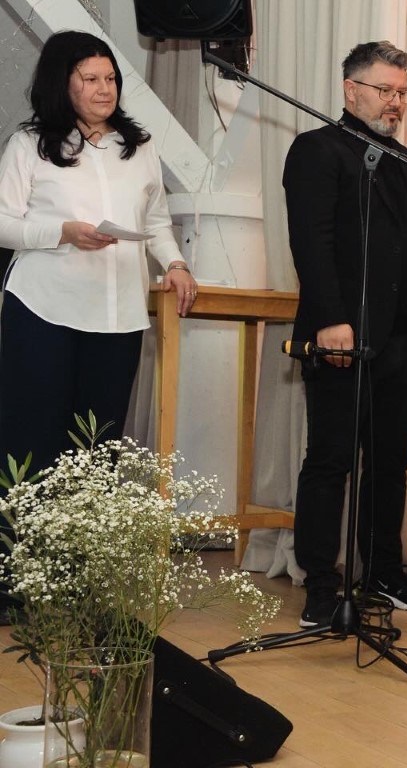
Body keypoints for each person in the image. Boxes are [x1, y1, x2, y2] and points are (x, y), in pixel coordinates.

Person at [0, 31, 195, 618]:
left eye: (110, 78)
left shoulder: (138, 147)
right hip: (43, 308)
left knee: (97, 450)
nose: (104, 89)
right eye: (90, 78)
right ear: (62, 83)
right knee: (31, 444)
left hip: (117, 316)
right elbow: (4, 223)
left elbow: (156, 221)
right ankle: (16, 582)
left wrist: (176, 264)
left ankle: (80, 582)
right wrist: (61, 232)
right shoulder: (30, 144)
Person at [283, 41, 407, 627]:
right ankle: (320, 584)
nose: (396, 102)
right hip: (341, 337)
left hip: (402, 340)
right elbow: (312, 243)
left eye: (403, 92)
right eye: (385, 90)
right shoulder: (317, 150)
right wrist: (331, 318)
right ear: (351, 90)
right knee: (330, 461)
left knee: (390, 464)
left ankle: (383, 572)